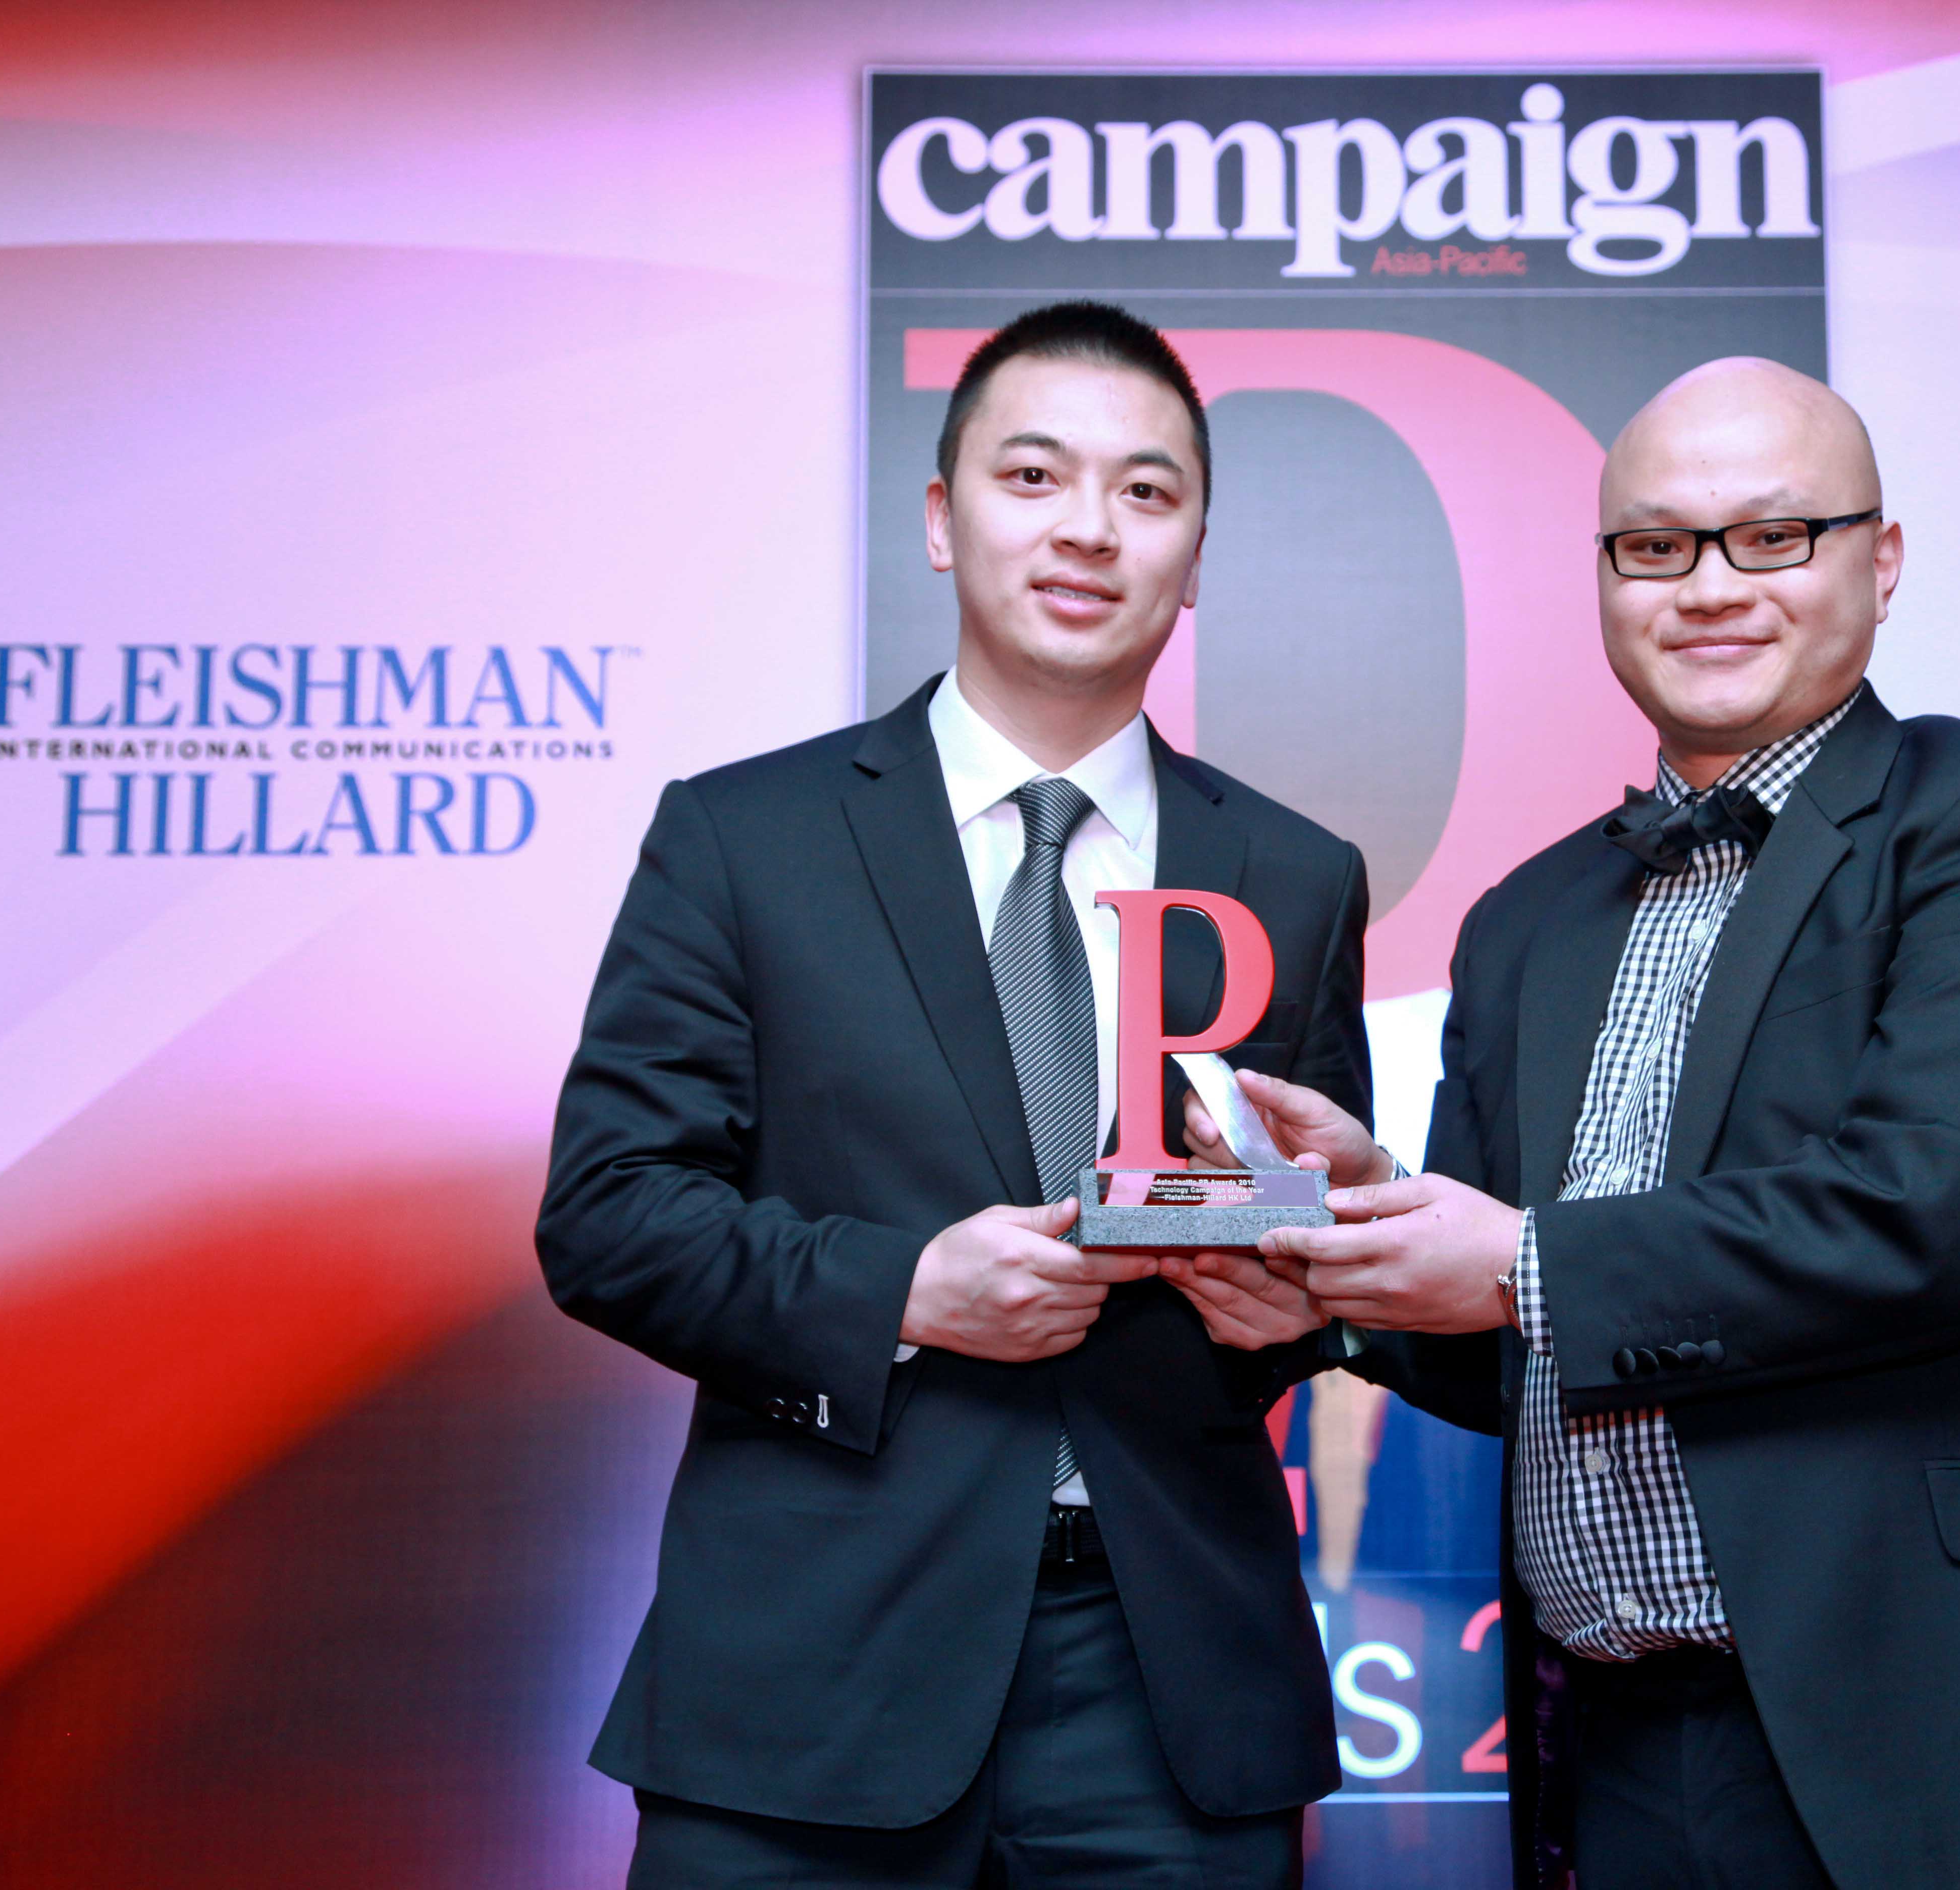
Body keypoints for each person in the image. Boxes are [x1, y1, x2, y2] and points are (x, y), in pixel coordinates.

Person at [1180, 358, 1960, 1889]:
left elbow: (1956, 1198)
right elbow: (1518, 1342)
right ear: (1605, 578)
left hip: (1951, 1711)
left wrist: (1517, 1265)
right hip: (1618, 1739)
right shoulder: (1526, 920)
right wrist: (1360, 1249)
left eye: (1773, 537)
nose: (1709, 587)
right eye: (1657, 546)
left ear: (1880, 561)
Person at [537, 300, 1370, 1888]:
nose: (1090, 529)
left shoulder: (1293, 872)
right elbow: (609, 1219)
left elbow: (1300, 1247)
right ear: (940, 518)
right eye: (1034, 476)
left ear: (1195, 557)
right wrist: (907, 1292)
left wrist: (1298, 1306)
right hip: (813, 1675)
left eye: (1146, 492)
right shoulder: (744, 840)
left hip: (1170, 1689)